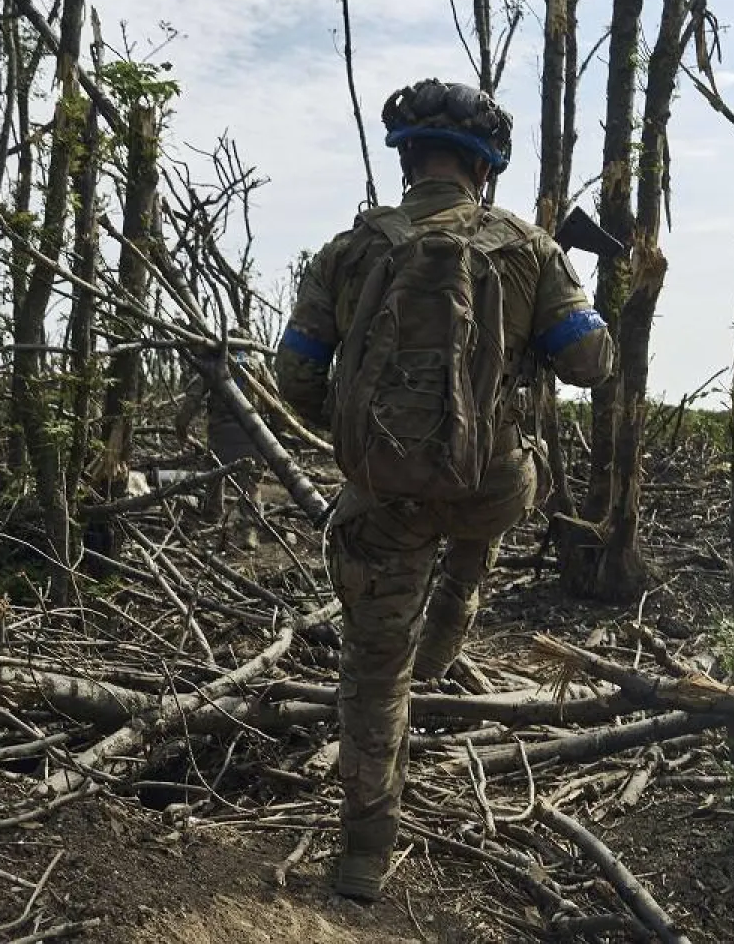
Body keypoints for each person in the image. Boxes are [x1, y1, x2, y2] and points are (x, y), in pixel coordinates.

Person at [274, 78, 615, 902]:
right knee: (483, 508)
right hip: (492, 485)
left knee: (372, 669)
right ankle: (452, 619)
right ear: (485, 169)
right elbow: (590, 363)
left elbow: (293, 375)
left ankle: (363, 859)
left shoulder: (349, 251)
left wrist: (364, 440)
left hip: (385, 499)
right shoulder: (529, 248)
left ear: (406, 160)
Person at [174, 328, 267, 551]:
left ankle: (212, 517)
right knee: (251, 484)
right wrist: (276, 433)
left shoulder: (215, 363)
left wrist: (181, 427)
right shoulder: (257, 365)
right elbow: (271, 396)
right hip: (253, 431)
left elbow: (193, 398)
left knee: (215, 476)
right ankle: (249, 532)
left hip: (220, 433)